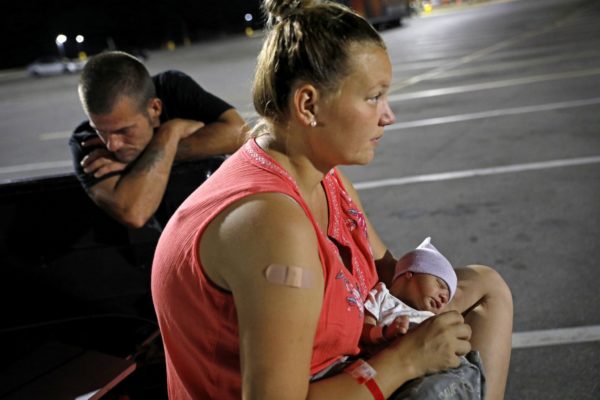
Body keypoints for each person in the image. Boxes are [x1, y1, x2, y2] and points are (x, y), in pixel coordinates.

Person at [151, 1, 513, 399]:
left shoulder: (321, 176)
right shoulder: (272, 224)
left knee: (486, 286)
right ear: (308, 105)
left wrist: (423, 287)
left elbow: (382, 272)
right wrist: (408, 359)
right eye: (374, 97)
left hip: (342, 360)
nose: (388, 115)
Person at [68, 51, 247, 229]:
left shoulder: (172, 88)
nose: (112, 145)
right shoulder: (85, 142)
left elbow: (241, 134)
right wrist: (170, 133)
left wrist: (143, 157)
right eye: (101, 131)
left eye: (124, 131)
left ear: (154, 109)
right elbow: (135, 213)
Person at [361, 237, 458, 345]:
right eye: (440, 284)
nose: (444, 298)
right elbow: (365, 330)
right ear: (410, 273)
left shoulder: (432, 318)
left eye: (447, 298)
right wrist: (385, 332)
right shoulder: (382, 295)